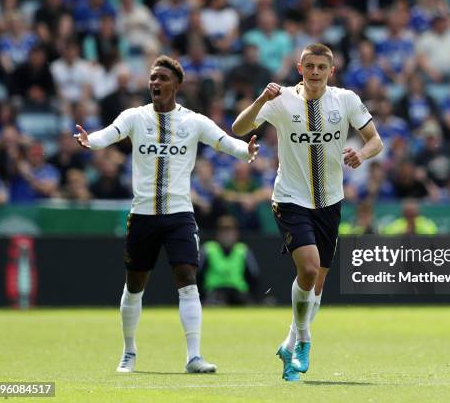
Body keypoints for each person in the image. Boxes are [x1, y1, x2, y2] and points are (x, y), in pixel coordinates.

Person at [74, 55, 259, 374]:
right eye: (152, 78)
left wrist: (246, 151)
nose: (155, 83)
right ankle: (129, 352)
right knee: (134, 286)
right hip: (142, 215)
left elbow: (223, 142)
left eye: (161, 78)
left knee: (187, 280)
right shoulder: (134, 116)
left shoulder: (193, 121)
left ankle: (194, 356)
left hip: (179, 215)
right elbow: (110, 133)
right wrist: (90, 142)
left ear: (177, 84)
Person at [232, 43, 383, 381]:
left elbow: (376, 140)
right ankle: (303, 340)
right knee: (310, 269)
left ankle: (288, 345)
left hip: (330, 201)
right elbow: (239, 129)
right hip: (290, 199)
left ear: (332, 70)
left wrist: (363, 155)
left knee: (316, 285)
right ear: (300, 68)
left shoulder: (345, 100)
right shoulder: (281, 98)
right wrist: (260, 100)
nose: (315, 72)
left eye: (322, 67)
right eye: (310, 66)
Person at [198, 215, 261, 305]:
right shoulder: (207, 249)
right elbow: (198, 276)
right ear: (218, 234)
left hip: (238, 292)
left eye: (230, 231)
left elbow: (254, 277)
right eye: (223, 231)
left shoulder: (243, 250)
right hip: (214, 292)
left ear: (236, 233)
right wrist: (202, 297)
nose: (227, 235)